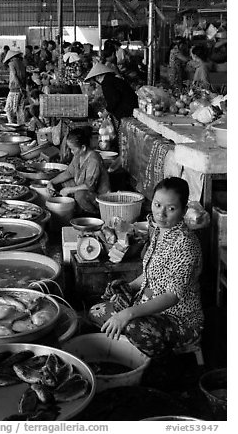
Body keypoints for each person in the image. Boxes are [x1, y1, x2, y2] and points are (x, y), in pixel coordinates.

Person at [88, 177, 204, 357]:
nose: (161, 214)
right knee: (97, 312)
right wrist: (128, 287)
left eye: (171, 209)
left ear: (183, 211)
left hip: (178, 320)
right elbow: (150, 274)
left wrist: (127, 313)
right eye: (157, 205)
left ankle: (157, 364)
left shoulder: (185, 244)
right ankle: (128, 344)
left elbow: (172, 296)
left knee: (132, 326)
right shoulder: (158, 231)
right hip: (146, 302)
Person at [46, 128, 110, 216]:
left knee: (80, 195)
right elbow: (68, 173)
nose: (71, 152)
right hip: (85, 189)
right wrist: (51, 182)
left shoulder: (94, 160)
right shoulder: (78, 156)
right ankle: (75, 209)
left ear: (83, 147)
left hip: (99, 198)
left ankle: (95, 215)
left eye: (73, 149)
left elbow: (90, 186)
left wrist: (69, 190)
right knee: (60, 183)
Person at [3, 49, 26, 124]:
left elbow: (14, 75)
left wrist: (18, 85)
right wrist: (21, 87)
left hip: (14, 89)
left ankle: (11, 125)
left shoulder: (11, 64)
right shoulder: (21, 63)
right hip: (21, 89)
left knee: (8, 109)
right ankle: (21, 126)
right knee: (20, 110)